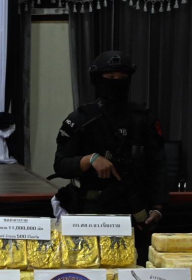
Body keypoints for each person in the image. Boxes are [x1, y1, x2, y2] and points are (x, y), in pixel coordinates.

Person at [53, 51, 167, 262]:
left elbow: (158, 166)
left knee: (136, 267)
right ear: (97, 80)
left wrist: (158, 208)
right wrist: (89, 160)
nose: (117, 82)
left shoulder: (143, 119)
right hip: (92, 210)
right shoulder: (81, 119)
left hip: (135, 210)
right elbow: (60, 164)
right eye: (110, 77)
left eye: (123, 77)